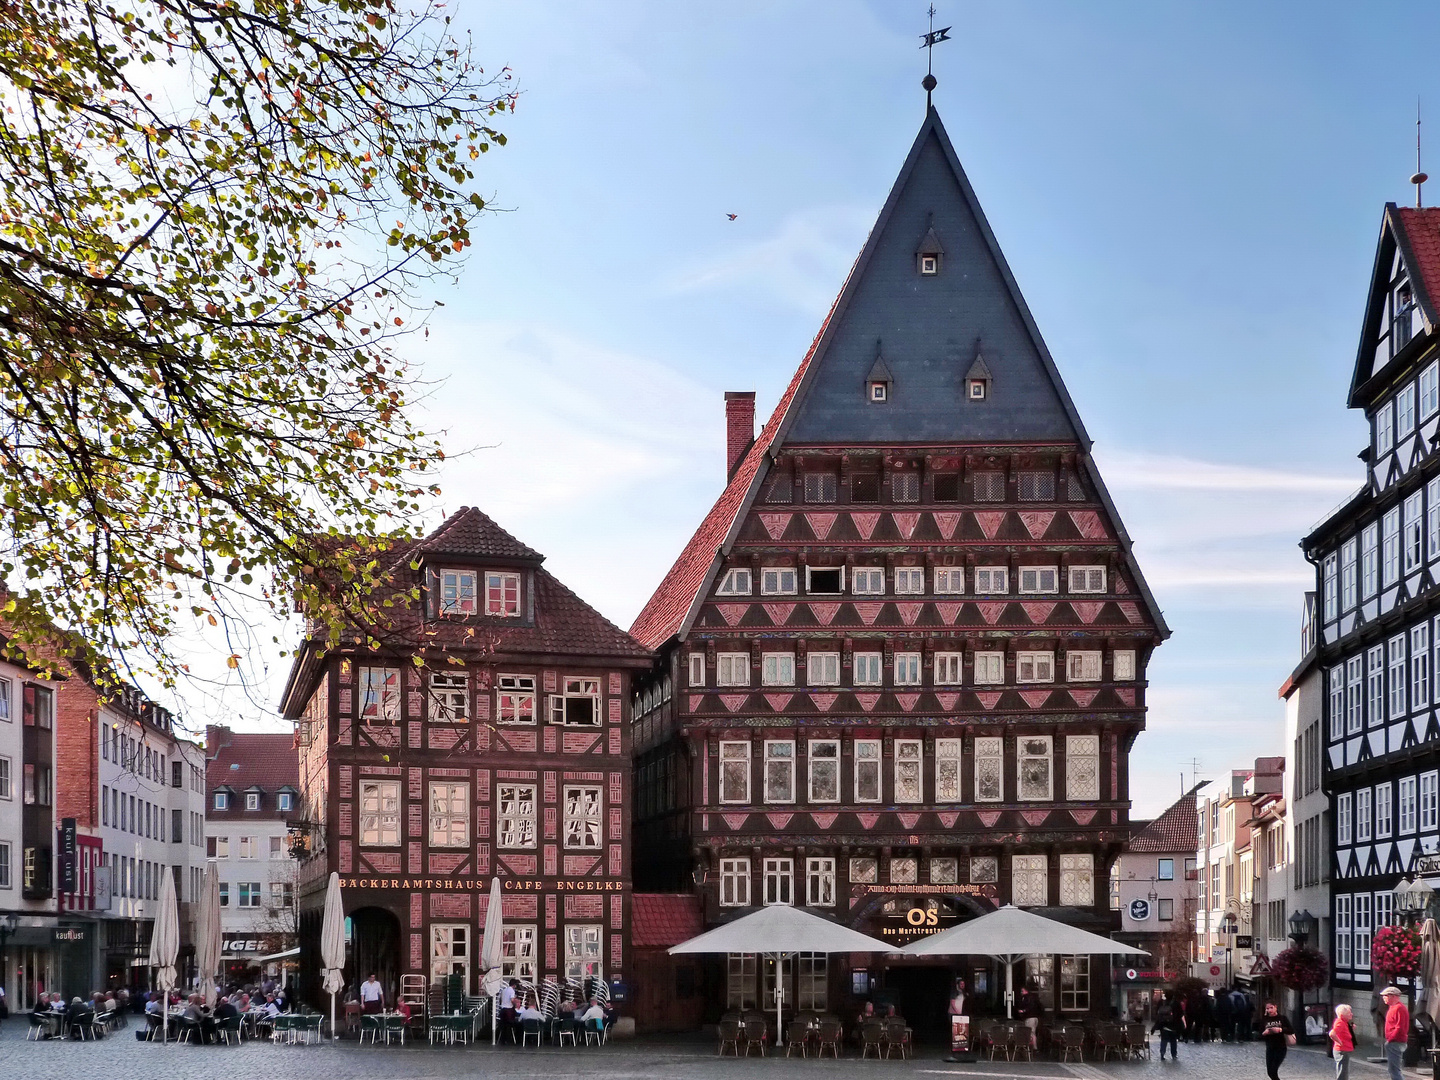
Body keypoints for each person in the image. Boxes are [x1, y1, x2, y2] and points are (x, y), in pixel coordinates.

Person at [1260, 1001, 1296, 1080]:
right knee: (1270, 1072)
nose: (1270, 1010)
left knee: (1273, 1070)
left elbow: (1291, 1030)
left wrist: (1280, 1030)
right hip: (1270, 1047)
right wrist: (1265, 1033)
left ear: (1276, 1007)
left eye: (1271, 1008)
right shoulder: (1265, 1019)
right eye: (1267, 1008)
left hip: (1281, 1047)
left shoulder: (1282, 1018)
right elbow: (1259, 1033)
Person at [1381, 986, 1409, 1080]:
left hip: (1396, 1041)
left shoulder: (1399, 1008)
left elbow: (1399, 1027)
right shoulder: (1393, 1007)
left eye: (1386, 995)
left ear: (1393, 996)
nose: (1383, 997)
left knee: (1394, 1070)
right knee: (1393, 1069)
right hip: (1394, 1041)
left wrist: (1390, 1039)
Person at [1152, 992, 1181, 1061]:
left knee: (1164, 1040)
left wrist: (1155, 1027)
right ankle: (1174, 1054)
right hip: (1173, 1025)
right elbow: (1180, 1014)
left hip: (1163, 1025)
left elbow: (1158, 1015)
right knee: (1173, 1041)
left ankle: (1162, 1053)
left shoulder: (1162, 1003)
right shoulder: (1176, 1003)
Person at [1330, 1003, 1356, 1080]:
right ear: (1342, 1015)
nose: (1351, 1014)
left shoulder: (1344, 1022)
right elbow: (1332, 1034)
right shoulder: (1340, 1022)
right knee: (1342, 1073)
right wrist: (1339, 1042)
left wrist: (1351, 1029)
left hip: (1345, 1049)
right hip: (1342, 1050)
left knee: (1344, 1072)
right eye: (1349, 1013)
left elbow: (1345, 1033)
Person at [1016, 984, 1043, 1049]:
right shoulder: (1034, 997)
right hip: (1035, 1017)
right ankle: (1033, 1047)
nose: (1021, 992)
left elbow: (1029, 1007)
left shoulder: (1026, 998)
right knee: (1033, 1033)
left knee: (1030, 1033)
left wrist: (1023, 1011)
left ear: (1026, 991)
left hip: (1030, 1017)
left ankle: (1031, 1047)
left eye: (1022, 991)